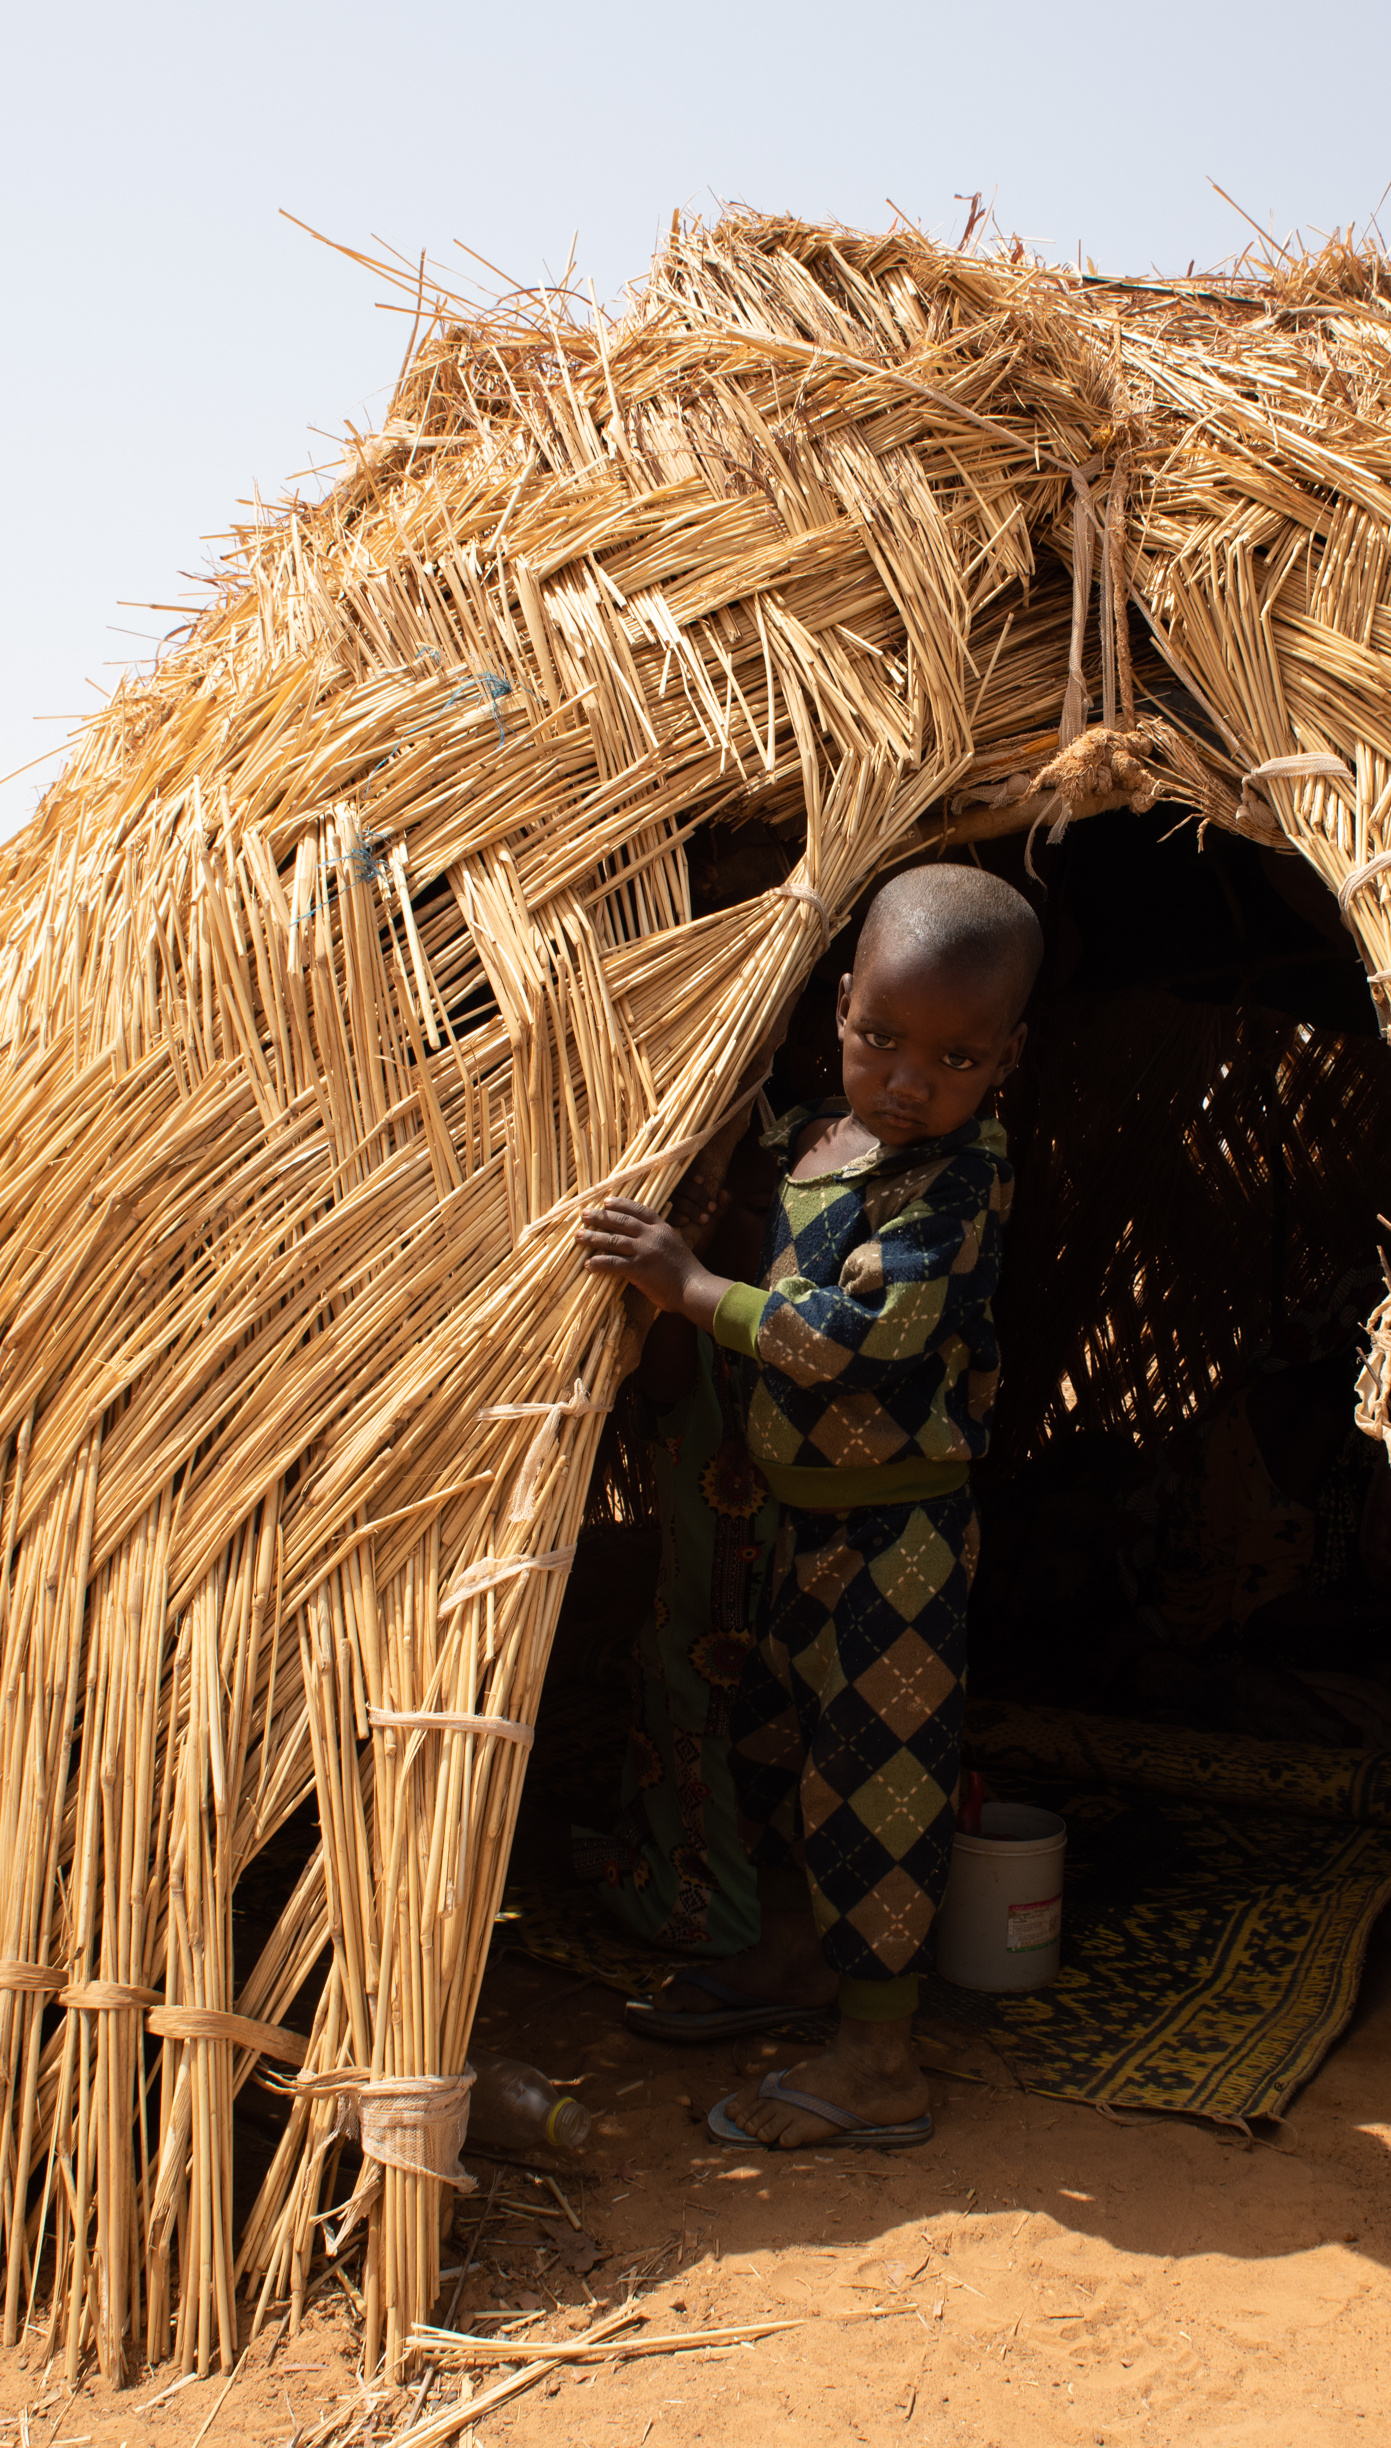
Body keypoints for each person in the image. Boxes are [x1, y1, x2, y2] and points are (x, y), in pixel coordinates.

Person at [575, 862, 1040, 2151]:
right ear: (837, 1007)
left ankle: (879, 2059)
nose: (907, 1080)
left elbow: (847, 1342)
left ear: (1005, 1060)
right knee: (784, 1745)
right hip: (804, 1530)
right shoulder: (806, 1143)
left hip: (899, 1538)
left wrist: (691, 1287)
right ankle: (792, 1958)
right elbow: (758, 1207)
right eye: (881, 1040)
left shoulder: (957, 1186)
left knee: (880, 1783)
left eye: (954, 1058)